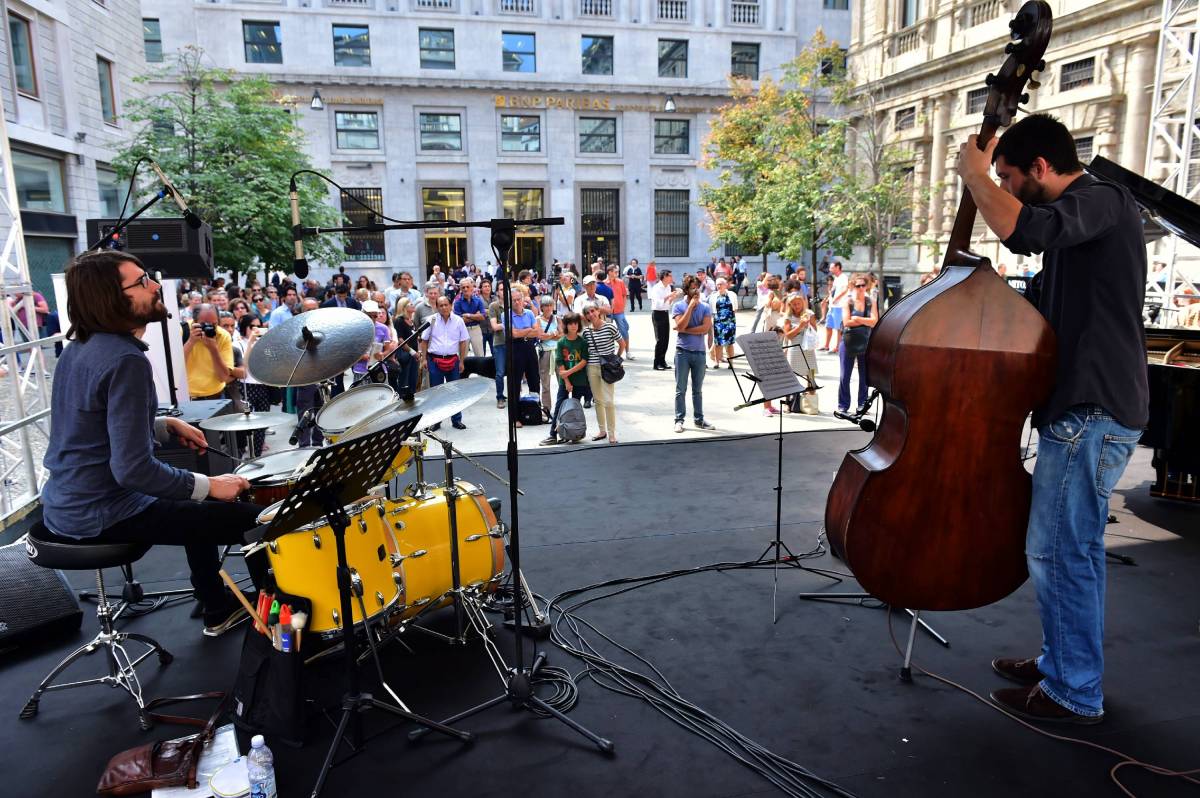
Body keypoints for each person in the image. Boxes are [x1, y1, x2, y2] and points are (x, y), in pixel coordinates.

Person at [956, 113, 1147, 725]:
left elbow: (1022, 231)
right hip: (1079, 409)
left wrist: (974, 175)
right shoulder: (1080, 231)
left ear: (1041, 167)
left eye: (1011, 178)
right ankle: (1061, 662)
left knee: (1063, 552)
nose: (1006, 189)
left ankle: (1074, 688)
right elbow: (1034, 297)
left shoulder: (1104, 202)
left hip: (1092, 409)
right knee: (1062, 549)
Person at [39, 251, 264, 637]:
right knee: (258, 521)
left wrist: (161, 425)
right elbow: (133, 470)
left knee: (196, 499)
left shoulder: (79, 348)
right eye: (142, 282)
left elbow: (86, 429)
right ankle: (282, 630)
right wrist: (213, 485)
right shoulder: (125, 360)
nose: (157, 286)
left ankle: (216, 606)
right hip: (104, 511)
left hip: (65, 503)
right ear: (110, 297)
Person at [672, 275, 716, 434]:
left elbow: (705, 328)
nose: (695, 290)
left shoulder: (705, 307)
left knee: (697, 390)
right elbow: (679, 324)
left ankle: (699, 419)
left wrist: (684, 330)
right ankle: (679, 420)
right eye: (692, 287)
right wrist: (690, 308)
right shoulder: (678, 306)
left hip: (699, 353)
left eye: (697, 287)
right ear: (686, 290)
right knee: (680, 389)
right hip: (682, 352)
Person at [419, 296, 470, 430]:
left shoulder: (458, 321)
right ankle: (436, 421)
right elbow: (423, 341)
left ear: (451, 305)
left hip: (453, 360)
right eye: (440, 305)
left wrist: (462, 361)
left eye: (446, 304)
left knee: (455, 392)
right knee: (437, 392)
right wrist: (424, 359)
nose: (444, 307)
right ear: (437, 307)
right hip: (434, 360)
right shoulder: (431, 320)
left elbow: (463, 341)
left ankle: (456, 420)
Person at [540, 312, 590, 446]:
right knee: (559, 406)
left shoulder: (582, 342)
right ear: (566, 325)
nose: (573, 326)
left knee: (574, 408)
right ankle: (553, 434)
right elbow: (560, 361)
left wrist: (569, 372)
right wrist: (567, 380)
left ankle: (573, 433)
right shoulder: (562, 342)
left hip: (580, 380)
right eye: (570, 324)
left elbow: (584, 361)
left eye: (576, 323)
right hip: (565, 381)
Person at [833, 274, 876, 419]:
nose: (861, 288)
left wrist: (857, 319)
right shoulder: (848, 302)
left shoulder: (871, 301)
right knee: (845, 375)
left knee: (864, 376)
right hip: (848, 341)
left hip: (865, 341)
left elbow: (875, 321)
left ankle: (862, 404)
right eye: (858, 285)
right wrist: (866, 321)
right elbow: (846, 322)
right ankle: (843, 406)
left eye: (863, 285)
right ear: (852, 286)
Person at [581, 302, 621, 443]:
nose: (591, 314)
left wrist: (617, 360)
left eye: (593, 311)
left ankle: (611, 433)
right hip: (592, 368)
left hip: (607, 368)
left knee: (609, 401)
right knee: (598, 400)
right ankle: (602, 430)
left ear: (598, 311)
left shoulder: (610, 327)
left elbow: (622, 343)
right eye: (587, 313)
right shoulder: (586, 331)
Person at [505, 288, 541, 422]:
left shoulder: (530, 313)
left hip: (530, 347)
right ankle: (516, 417)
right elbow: (513, 334)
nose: (516, 302)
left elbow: (536, 332)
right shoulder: (506, 315)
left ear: (522, 299)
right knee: (515, 383)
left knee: (534, 380)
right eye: (513, 300)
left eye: (518, 299)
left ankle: (535, 412)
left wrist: (523, 331)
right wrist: (528, 330)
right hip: (516, 348)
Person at [184, 305, 233, 401]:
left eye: (213, 324)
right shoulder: (182, 331)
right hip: (187, 397)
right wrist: (190, 342)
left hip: (215, 396)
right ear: (194, 321)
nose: (209, 327)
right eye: (204, 324)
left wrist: (213, 349)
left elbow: (223, 377)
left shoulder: (223, 336)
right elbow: (174, 368)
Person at [782, 292, 820, 415]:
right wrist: (800, 326)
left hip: (808, 349)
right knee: (791, 377)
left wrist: (808, 324)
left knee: (811, 377)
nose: (797, 306)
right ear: (790, 305)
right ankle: (789, 405)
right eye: (794, 304)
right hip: (794, 348)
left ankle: (812, 405)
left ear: (803, 303)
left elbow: (815, 331)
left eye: (799, 303)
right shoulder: (788, 317)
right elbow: (787, 335)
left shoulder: (809, 314)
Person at [238, 314, 271, 454]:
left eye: (259, 326)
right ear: (245, 327)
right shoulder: (238, 343)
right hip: (247, 386)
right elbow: (245, 364)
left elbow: (270, 360)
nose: (256, 329)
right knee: (250, 423)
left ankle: (257, 453)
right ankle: (250, 452)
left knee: (263, 422)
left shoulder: (262, 343)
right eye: (252, 327)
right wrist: (251, 341)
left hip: (262, 385)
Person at [391, 298, 421, 402]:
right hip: (406, 355)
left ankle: (412, 401)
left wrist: (418, 352)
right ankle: (402, 402)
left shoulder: (411, 320)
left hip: (414, 355)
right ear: (404, 307)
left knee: (413, 379)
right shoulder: (399, 321)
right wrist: (412, 352)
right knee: (404, 381)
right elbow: (400, 340)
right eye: (410, 304)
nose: (413, 305)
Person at [649, 269, 680, 371]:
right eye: (669, 276)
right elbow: (658, 303)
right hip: (657, 314)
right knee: (660, 339)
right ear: (664, 277)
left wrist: (673, 297)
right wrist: (669, 296)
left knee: (666, 339)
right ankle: (656, 362)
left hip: (665, 313)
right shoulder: (656, 288)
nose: (671, 278)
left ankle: (663, 361)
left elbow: (667, 304)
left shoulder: (668, 287)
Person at [535, 295, 560, 414]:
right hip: (545, 353)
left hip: (558, 352)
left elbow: (562, 335)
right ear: (542, 307)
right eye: (546, 305)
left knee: (563, 382)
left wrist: (549, 335)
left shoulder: (557, 318)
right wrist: (554, 334)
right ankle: (546, 409)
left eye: (550, 305)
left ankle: (562, 406)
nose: (549, 307)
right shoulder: (537, 320)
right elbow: (540, 336)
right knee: (545, 384)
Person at [453, 277, 487, 357]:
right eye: (463, 287)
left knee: (480, 355)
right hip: (463, 330)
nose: (465, 289)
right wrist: (476, 315)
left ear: (472, 288)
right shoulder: (457, 303)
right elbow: (459, 320)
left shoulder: (478, 300)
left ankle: (480, 370)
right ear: (460, 289)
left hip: (476, 329)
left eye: (467, 287)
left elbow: (483, 317)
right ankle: (463, 370)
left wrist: (468, 315)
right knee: (462, 356)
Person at [708, 277, 737, 369]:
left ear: (726, 285)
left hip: (730, 322)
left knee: (730, 343)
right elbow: (711, 310)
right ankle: (717, 362)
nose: (719, 286)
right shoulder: (713, 296)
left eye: (721, 284)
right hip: (718, 322)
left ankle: (731, 362)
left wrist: (729, 320)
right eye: (717, 284)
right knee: (717, 343)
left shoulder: (732, 294)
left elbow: (735, 308)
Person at [820, 262, 849, 352]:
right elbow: (833, 290)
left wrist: (837, 298)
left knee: (838, 328)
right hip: (832, 306)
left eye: (832, 268)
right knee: (828, 326)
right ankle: (826, 345)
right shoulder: (836, 278)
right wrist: (828, 298)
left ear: (838, 267)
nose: (830, 269)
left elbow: (845, 289)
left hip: (839, 306)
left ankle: (837, 347)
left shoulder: (843, 277)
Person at [605, 264, 631, 359]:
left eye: (617, 272)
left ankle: (627, 351)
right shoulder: (604, 283)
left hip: (619, 311)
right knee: (608, 332)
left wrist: (623, 307)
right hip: (608, 312)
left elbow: (624, 295)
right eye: (615, 272)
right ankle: (610, 352)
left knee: (624, 331)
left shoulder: (620, 282)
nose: (617, 273)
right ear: (609, 272)